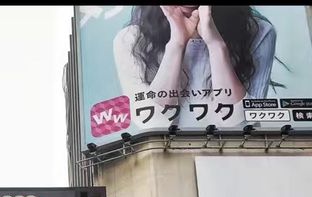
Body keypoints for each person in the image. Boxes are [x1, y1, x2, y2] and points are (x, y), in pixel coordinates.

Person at [113, 6, 279, 130]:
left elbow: (240, 125)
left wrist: (216, 45)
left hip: (235, 163)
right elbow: (151, 122)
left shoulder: (258, 32)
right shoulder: (131, 41)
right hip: (168, 167)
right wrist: (177, 44)